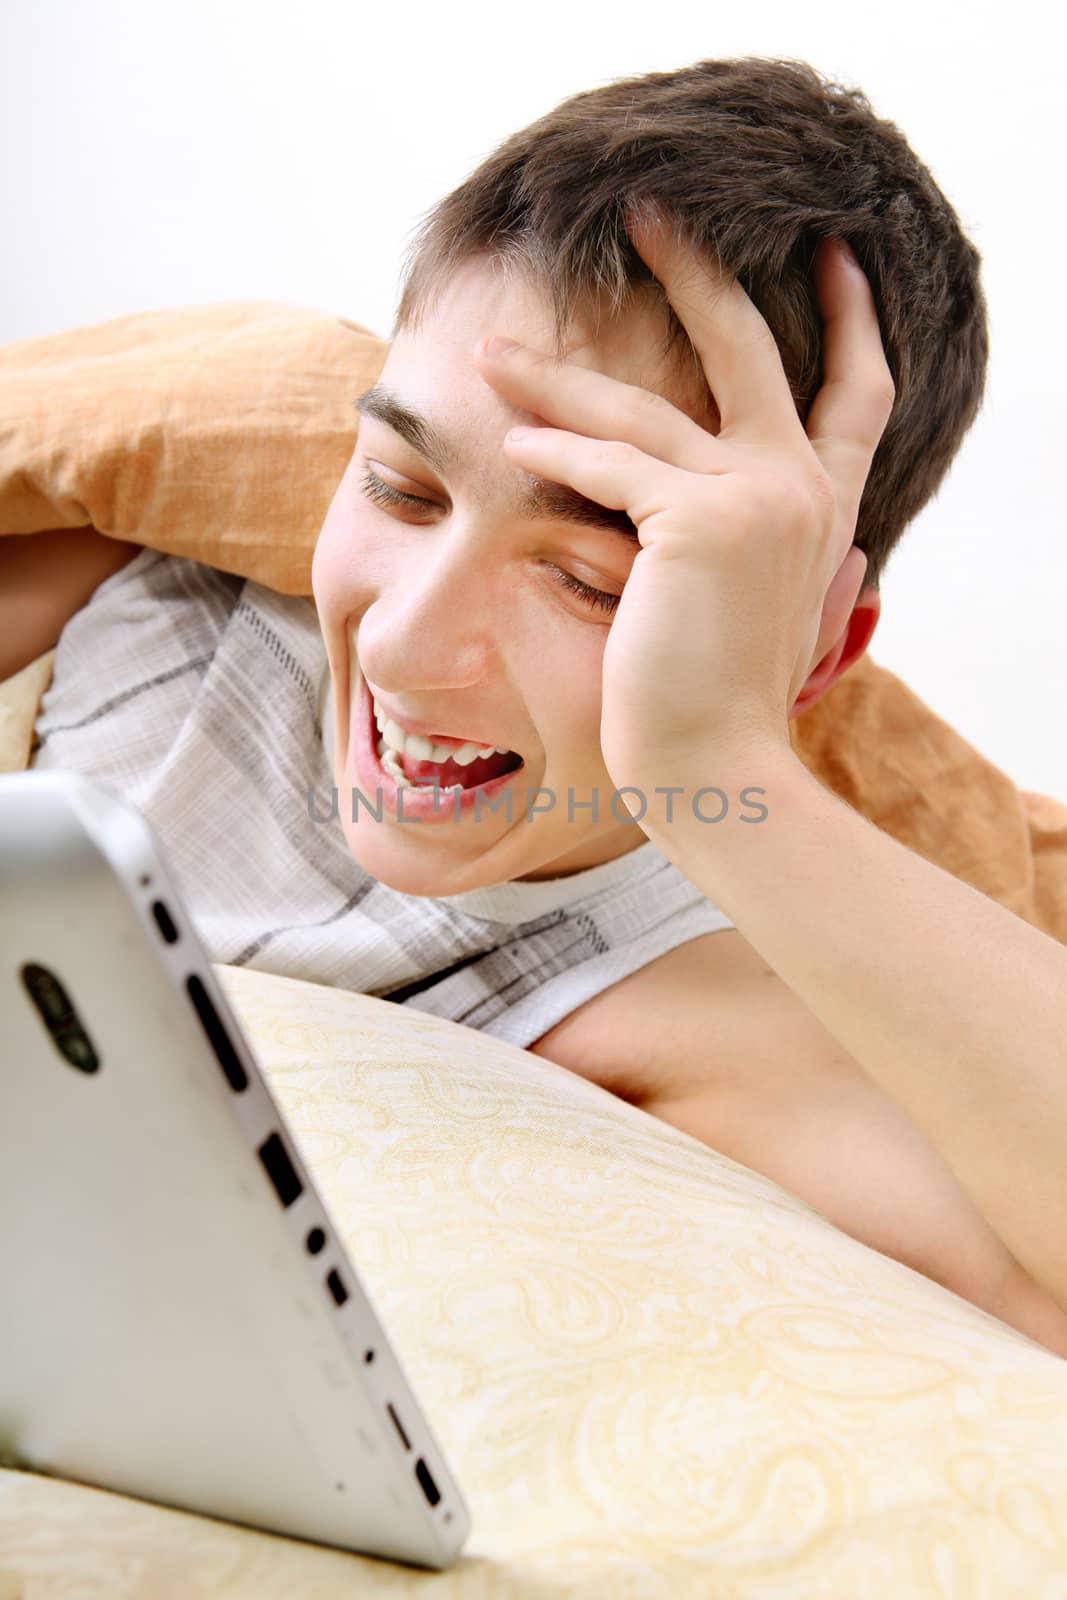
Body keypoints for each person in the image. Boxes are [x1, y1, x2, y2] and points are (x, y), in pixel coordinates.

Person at [13, 57, 1067, 1358]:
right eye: (402, 488)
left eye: (586, 578)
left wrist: (719, 751)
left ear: (801, 658)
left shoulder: (695, 1002)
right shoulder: (154, 610)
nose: (405, 640)